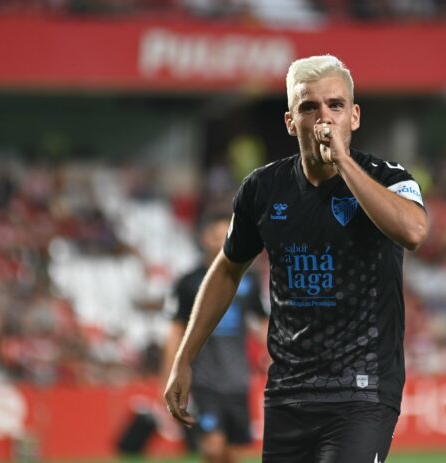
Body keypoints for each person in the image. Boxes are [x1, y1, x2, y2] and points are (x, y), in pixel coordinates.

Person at [164, 54, 429, 462]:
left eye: (335, 105)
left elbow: (413, 232)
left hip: (363, 389)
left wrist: (343, 162)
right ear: (291, 122)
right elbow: (226, 269)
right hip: (289, 392)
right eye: (309, 107)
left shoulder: (389, 178)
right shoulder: (263, 189)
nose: (324, 118)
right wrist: (185, 357)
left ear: (354, 117)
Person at [162, 211, 268, 463]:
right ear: (204, 238)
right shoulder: (188, 283)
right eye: (216, 235)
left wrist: (280, 355)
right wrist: (170, 375)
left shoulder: (248, 280)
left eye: (226, 235)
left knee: (231, 453)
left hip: (237, 381)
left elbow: (261, 322)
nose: (221, 241)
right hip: (204, 382)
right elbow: (176, 330)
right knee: (214, 448)